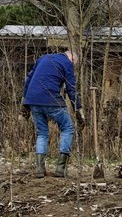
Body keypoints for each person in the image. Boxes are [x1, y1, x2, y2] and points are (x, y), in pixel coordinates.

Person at [20, 50, 85, 178]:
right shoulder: (68, 63)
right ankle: (60, 168)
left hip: (33, 100)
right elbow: (71, 89)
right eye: (74, 64)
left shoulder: (43, 58)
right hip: (51, 100)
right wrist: (78, 111)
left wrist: (24, 105)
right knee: (68, 127)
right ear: (73, 59)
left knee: (42, 133)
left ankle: (40, 168)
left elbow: (28, 80)